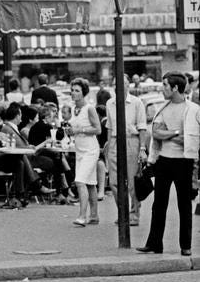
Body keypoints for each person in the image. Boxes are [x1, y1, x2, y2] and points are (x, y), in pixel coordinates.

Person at [137, 71, 200, 256]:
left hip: (184, 162)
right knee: (159, 203)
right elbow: (156, 133)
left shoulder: (194, 110)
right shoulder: (162, 108)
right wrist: (175, 133)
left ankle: (186, 245)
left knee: (184, 204)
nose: (162, 88)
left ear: (175, 88)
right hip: (164, 160)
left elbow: (191, 139)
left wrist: (172, 134)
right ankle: (154, 243)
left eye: (165, 85)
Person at [106, 74, 147, 226]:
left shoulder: (137, 103)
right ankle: (122, 212)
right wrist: (109, 145)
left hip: (131, 140)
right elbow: (109, 127)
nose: (118, 87)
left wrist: (142, 148)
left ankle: (134, 213)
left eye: (122, 84)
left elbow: (142, 127)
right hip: (115, 141)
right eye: (115, 84)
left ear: (128, 86)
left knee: (132, 181)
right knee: (114, 182)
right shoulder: (110, 103)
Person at [66, 78, 101, 226]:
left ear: (83, 93)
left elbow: (98, 129)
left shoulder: (89, 108)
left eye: (77, 91)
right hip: (79, 149)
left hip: (91, 149)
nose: (73, 93)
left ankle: (82, 216)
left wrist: (79, 130)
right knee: (90, 183)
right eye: (72, 90)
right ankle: (94, 215)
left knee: (80, 181)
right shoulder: (74, 109)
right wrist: (70, 132)